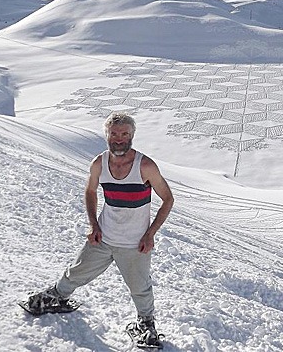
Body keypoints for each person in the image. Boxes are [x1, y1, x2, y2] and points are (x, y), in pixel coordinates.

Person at [26, 112, 174, 346]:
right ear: (107, 135)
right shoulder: (99, 163)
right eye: (114, 134)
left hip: (134, 243)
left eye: (124, 134)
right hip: (104, 236)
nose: (119, 139)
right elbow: (90, 191)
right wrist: (94, 225)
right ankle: (57, 297)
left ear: (132, 136)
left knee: (140, 287)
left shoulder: (145, 166)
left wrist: (150, 234)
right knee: (77, 270)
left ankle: (146, 323)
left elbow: (167, 199)